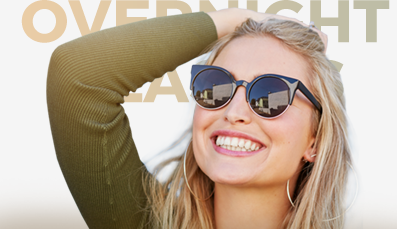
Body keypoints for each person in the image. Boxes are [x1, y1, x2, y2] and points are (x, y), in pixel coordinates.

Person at [47, 7, 350, 229]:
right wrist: (240, 19)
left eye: (271, 95)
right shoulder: (146, 222)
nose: (234, 112)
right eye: (216, 86)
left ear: (316, 139)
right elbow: (77, 76)